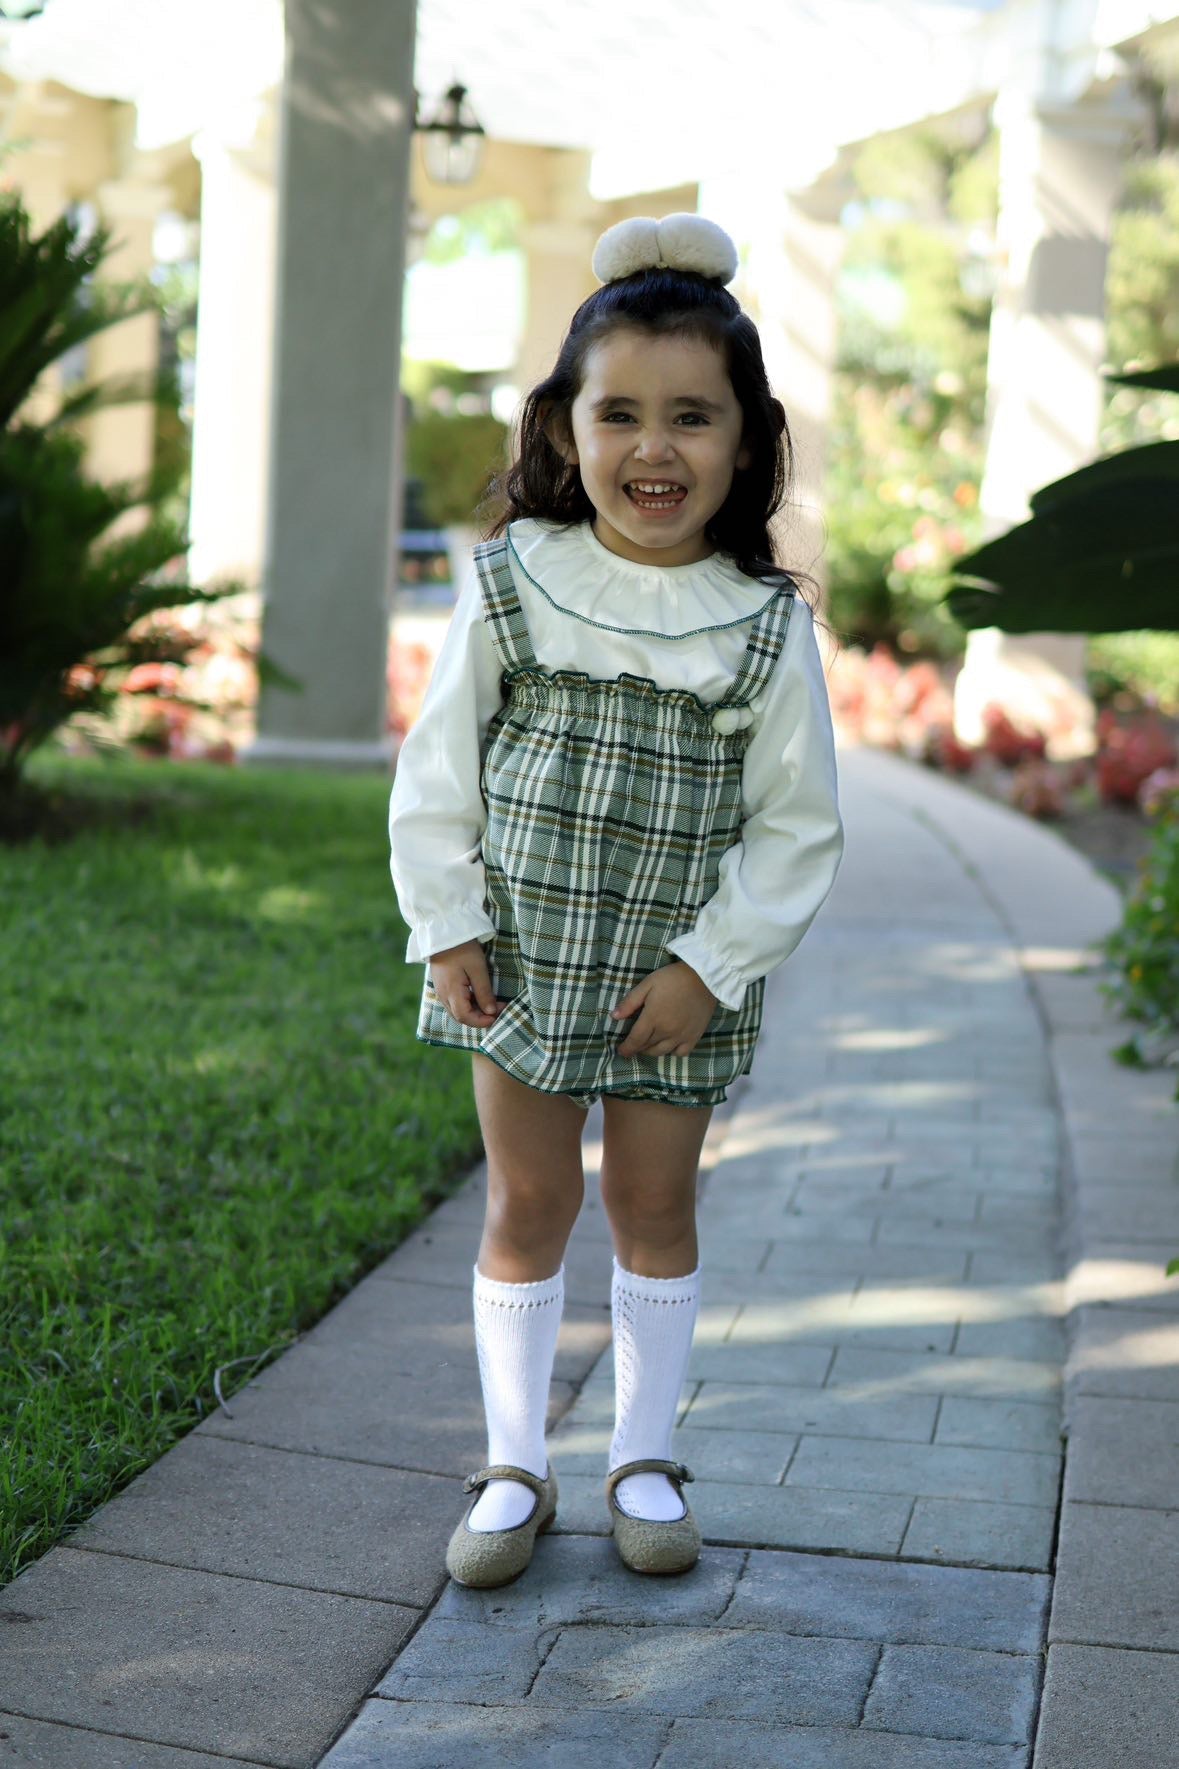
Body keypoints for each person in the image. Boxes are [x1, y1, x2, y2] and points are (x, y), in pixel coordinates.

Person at [388, 212, 844, 1588]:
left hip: (674, 982)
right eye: (622, 413)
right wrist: (448, 924)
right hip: (520, 957)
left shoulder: (761, 626)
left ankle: (642, 1457)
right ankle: (514, 1459)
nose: (656, 448)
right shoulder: (518, 579)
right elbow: (438, 771)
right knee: (528, 1200)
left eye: (693, 417)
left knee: (655, 1206)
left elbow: (799, 827)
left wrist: (712, 964)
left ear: (747, 442)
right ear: (566, 426)